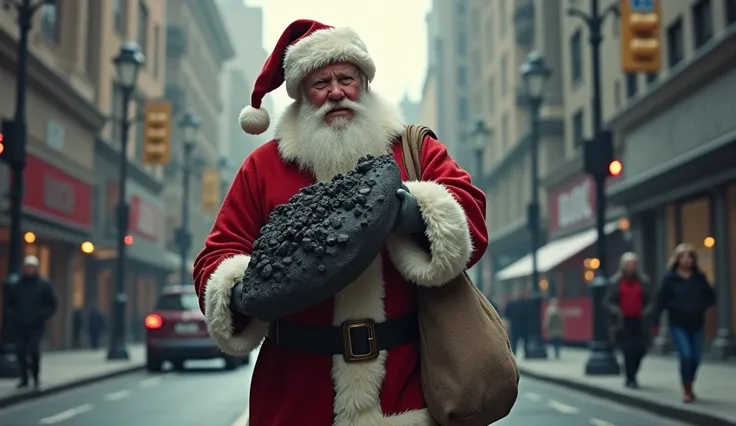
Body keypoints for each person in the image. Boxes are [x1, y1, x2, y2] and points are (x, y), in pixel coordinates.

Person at [192, 19, 488, 426]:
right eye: (320, 83)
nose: (335, 93)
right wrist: (244, 290)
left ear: (363, 83)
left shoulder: (412, 147)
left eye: (345, 78)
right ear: (300, 96)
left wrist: (408, 213)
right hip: (295, 392)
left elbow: (470, 211)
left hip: (402, 390)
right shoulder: (263, 167)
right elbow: (218, 252)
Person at [653, 243, 715, 403]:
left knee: (695, 357)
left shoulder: (699, 278)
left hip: (697, 323)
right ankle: (687, 389)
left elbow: (711, 296)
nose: (686, 260)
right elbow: (661, 300)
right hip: (678, 323)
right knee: (685, 355)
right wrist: (656, 320)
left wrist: (701, 305)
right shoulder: (670, 279)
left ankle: (691, 381)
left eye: (689, 257)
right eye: (683, 257)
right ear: (677, 259)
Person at [603, 252, 654, 389]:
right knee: (628, 350)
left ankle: (633, 372)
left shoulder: (643, 281)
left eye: (633, 264)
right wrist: (617, 311)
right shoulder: (616, 282)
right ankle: (631, 377)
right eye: (628, 264)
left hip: (639, 321)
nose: (631, 267)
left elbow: (650, 300)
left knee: (640, 350)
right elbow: (607, 302)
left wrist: (647, 312)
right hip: (623, 322)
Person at [5, 255, 57, 389]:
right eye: (27, 267)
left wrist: (42, 315)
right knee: (20, 351)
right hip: (20, 323)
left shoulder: (44, 285)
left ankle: (35, 376)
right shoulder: (18, 285)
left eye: (32, 267)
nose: (29, 270)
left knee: (33, 350)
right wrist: (13, 315)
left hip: (36, 325)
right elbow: (9, 303)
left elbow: (52, 304)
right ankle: (24, 378)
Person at [504, 291, 526, 356]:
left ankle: (514, 352)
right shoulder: (522, 303)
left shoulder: (511, 303)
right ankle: (522, 352)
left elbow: (506, 313)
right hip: (520, 323)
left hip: (514, 323)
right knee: (520, 338)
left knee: (514, 339)